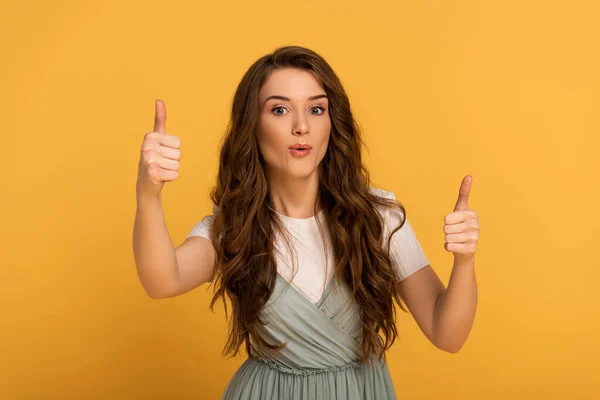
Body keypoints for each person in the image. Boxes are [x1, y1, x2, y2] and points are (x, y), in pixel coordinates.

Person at [133, 45, 480, 399]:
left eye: (316, 109)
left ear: (333, 122)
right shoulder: (233, 229)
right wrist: (148, 195)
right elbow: (163, 280)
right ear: (252, 125)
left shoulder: (379, 217)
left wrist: (465, 261)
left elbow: (447, 334)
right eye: (280, 110)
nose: (302, 127)